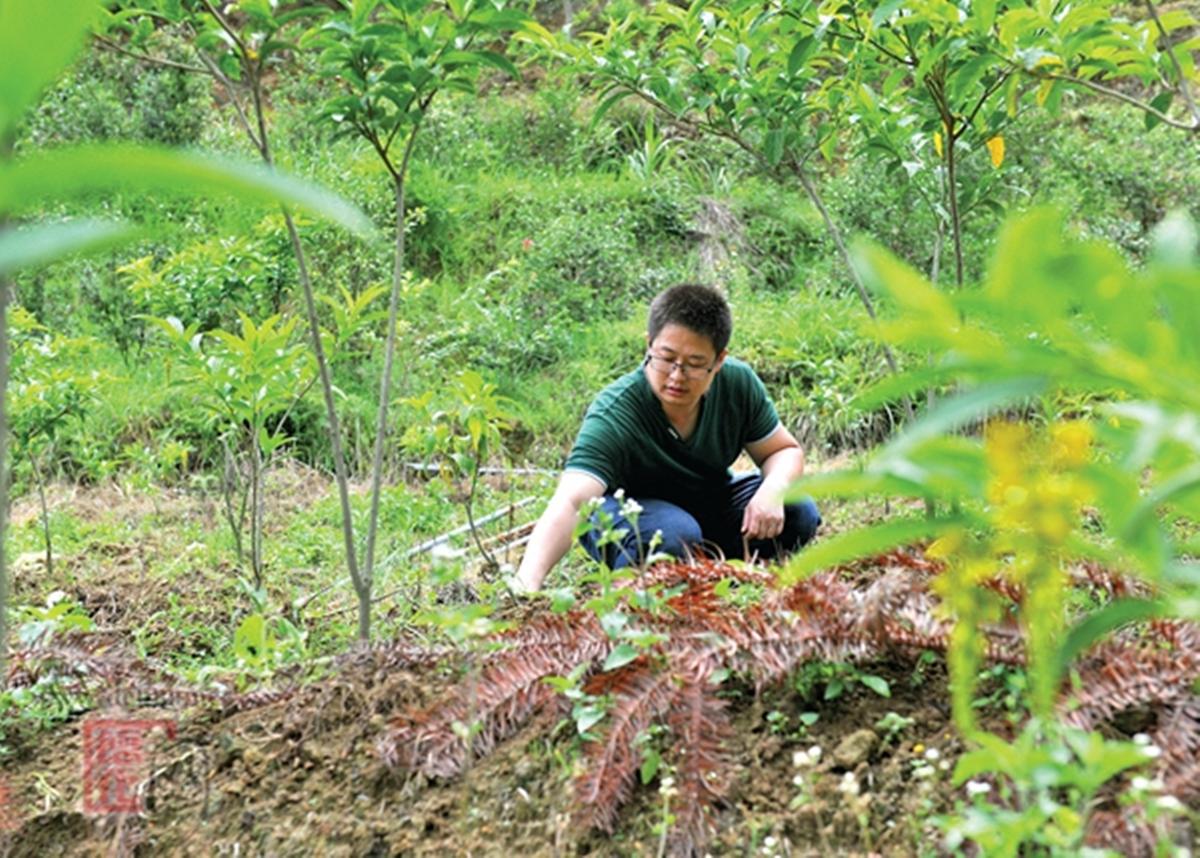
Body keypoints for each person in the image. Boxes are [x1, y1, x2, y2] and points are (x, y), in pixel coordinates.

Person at [513, 283, 820, 592]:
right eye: (666, 358)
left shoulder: (738, 384)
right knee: (672, 534)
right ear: (649, 345)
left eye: (695, 364)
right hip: (633, 516)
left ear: (719, 360)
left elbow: (783, 450)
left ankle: (702, 570)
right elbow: (572, 501)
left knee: (799, 510)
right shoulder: (616, 411)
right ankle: (647, 574)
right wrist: (526, 584)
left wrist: (774, 490)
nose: (676, 376)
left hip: (707, 504)